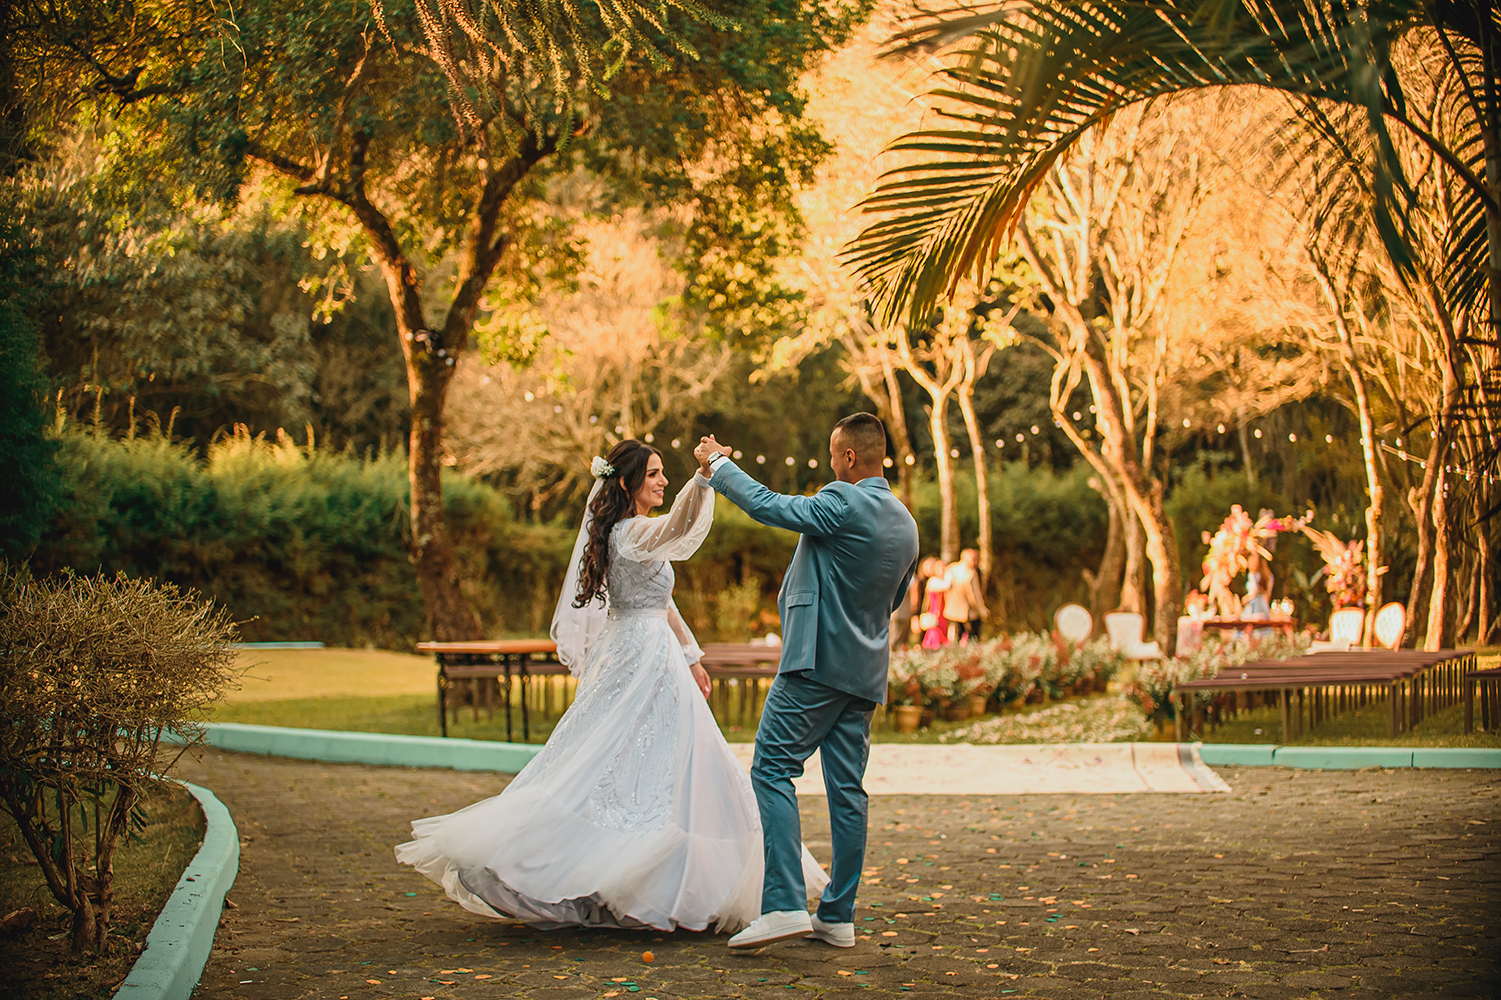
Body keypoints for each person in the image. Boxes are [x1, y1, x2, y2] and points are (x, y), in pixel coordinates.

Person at [395, 440, 827, 932]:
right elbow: (679, 528)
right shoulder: (629, 534)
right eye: (654, 475)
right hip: (636, 657)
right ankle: (587, 871)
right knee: (609, 763)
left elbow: (663, 602)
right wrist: (705, 477)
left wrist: (692, 656)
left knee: (662, 765)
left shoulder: (635, 535)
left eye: (666, 474)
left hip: (654, 651)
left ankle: (654, 879)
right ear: (627, 483)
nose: (663, 481)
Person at [694, 413, 919, 950]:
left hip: (815, 664)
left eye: (832, 456)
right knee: (848, 792)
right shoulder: (906, 522)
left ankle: (784, 904)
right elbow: (893, 601)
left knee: (771, 768)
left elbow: (772, 506)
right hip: (865, 671)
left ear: (847, 458)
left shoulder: (842, 503)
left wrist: (721, 465)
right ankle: (838, 916)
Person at [943, 549, 988, 643]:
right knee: (973, 639)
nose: (976, 562)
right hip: (967, 613)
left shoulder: (951, 568)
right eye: (974, 559)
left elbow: (946, 588)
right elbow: (974, 596)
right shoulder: (970, 573)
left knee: (954, 640)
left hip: (951, 611)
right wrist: (981, 610)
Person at [919, 557, 951, 649]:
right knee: (935, 637)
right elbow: (946, 586)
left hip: (943, 614)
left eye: (944, 567)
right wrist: (949, 575)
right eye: (940, 568)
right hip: (936, 613)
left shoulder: (939, 581)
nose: (943, 570)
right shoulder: (933, 581)